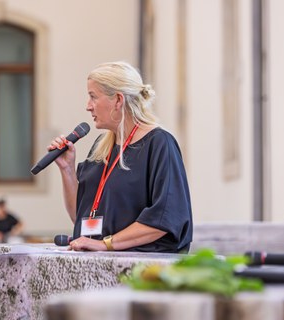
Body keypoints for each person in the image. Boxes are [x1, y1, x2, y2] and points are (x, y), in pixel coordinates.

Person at [48, 61, 193, 253]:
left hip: (142, 270)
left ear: (118, 100)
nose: (88, 106)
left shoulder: (160, 144)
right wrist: (67, 169)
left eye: (93, 97)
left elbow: (165, 217)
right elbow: (81, 218)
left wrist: (106, 244)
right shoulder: (102, 147)